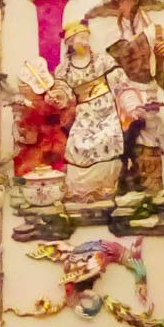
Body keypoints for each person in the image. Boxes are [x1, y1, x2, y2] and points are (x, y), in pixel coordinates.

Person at [45, 22, 124, 202]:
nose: (85, 42)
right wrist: (58, 97)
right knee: (77, 144)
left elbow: (119, 81)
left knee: (107, 139)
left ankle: (105, 186)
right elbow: (63, 91)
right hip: (85, 112)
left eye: (87, 38)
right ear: (70, 42)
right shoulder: (63, 69)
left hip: (106, 110)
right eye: (81, 38)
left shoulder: (103, 60)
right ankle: (80, 190)